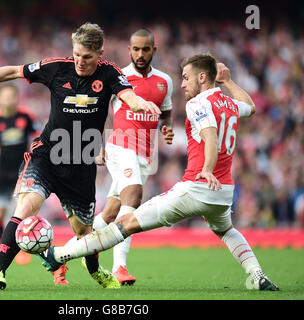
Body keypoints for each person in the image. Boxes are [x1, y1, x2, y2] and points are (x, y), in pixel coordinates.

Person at [0, 22, 161, 290]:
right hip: (46, 155)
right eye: (77, 54)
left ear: (100, 54)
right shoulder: (57, 67)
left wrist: (141, 103)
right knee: (23, 209)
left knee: (84, 232)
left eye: (88, 57)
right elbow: (14, 71)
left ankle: (94, 269)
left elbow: (128, 95)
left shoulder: (110, 73)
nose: (80, 61)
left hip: (81, 161)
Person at [38, 54, 280, 291]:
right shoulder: (228, 103)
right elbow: (250, 106)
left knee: (125, 223)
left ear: (203, 77)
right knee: (227, 230)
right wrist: (228, 81)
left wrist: (206, 169)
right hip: (223, 191)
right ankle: (258, 275)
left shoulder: (198, 103)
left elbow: (210, 136)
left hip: (197, 187)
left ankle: (58, 254)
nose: (183, 84)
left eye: (187, 78)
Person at [91, 28, 174, 285]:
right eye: (135, 49)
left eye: (145, 49)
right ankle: (120, 267)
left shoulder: (165, 81)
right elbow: (99, 111)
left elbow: (166, 111)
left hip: (146, 154)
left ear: (153, 50)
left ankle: (68, 253)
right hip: (120, 146)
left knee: (111, 213)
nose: (140, 54)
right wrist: (97, 143)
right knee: (134, 197)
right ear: (129, 50)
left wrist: (166, 128)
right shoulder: (119, 77)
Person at [0, 84, 38, 267]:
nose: (9, 100)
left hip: (23, 171)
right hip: (3, 174)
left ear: (17, 97)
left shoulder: (26, 116)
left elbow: (38, 140)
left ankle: (20, 251)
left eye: (12, 96)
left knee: (20, 213)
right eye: (5, 96)